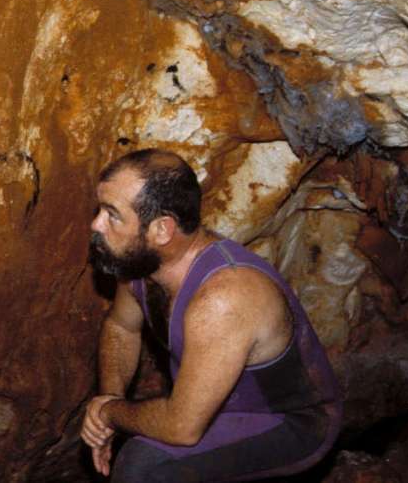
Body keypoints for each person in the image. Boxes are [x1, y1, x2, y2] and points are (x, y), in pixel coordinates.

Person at [82, 148, 342, 482]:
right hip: (211, 407)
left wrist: (108, 413)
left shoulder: (223, 299)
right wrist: (112, 400)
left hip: (292, 424)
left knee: (145, 466)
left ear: (162, 230)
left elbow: (182, 428)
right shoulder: (143, 267)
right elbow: (122, 328)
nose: (96, 224)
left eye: (112, 214)